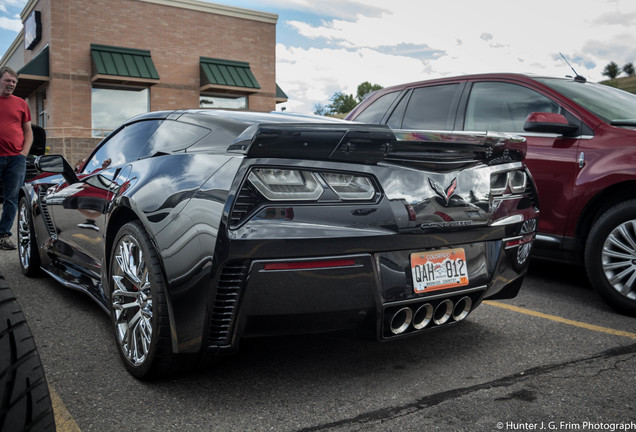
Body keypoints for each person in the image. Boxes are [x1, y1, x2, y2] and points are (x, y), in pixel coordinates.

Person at [0, 66, 33, 250]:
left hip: (15, 159)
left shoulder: (21, 103)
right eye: (8, 80)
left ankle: (3, 236)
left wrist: (23, 154)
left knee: (11, 199)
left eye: (14, 82)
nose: (11, 84)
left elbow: (28, 131)